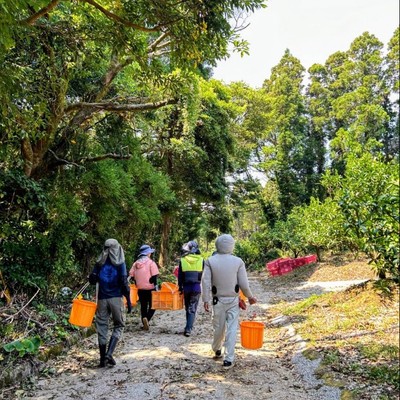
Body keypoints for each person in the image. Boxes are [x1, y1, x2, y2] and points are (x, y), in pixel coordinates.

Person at [202, 234, 257, 368]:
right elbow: (244, 284)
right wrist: (250, 297)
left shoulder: (210, 261)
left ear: (217, 245)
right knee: (232, 329)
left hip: (217, 300)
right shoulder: (238, 262)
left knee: (218, 328)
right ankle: (229, 359)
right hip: (233, 300)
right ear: (232, 246)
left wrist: (205, 299)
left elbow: (205, 282)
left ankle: (217, 348)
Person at [89, 238, 131, 368]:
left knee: (102, 327)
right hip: (116, 298)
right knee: (119, 325)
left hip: (102, 299)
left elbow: (92, 280)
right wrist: (129, 301)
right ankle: (109, 353)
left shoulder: (99, 262)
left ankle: (102, 360)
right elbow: (124, 283)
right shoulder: (120, 263)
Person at [129, 244, 159, 331]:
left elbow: (131, 275)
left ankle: (144, 322)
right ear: (148, 254)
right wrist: (156, 287)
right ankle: (147, 319)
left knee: (143, 306)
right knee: (153, 305)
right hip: (150, 288)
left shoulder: (135, 264)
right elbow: (154, 277)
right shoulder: (151, 263)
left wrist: (137, 282)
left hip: (140, 289)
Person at [178, 240, 204, 337]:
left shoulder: (183, 260)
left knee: (187, 307)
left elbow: (180, 276)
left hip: (186, 288)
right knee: (192, 309)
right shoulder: (201, 260)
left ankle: (188, 326)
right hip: (196, 288)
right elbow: (204, 275)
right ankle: (188, 329)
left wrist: (180, 287)